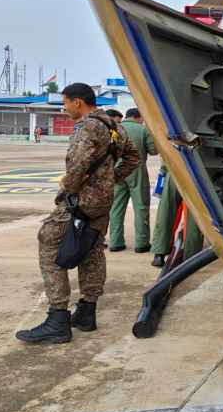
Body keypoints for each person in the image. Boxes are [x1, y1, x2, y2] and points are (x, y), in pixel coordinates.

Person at [16, 83, 139, 344]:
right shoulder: (113, 125)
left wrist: (68, 188)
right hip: (103, 201)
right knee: (91, 249)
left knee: (49, 243)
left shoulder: (87, 126)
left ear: (78, 102)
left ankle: (57, 318)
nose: (65, 108)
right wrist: (111, 179)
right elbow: (133, 156)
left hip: (80, 201)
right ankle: (86, 311)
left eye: (66, 103)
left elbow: (76, 163)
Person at [108, 108, 157, 253]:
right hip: (137, 170)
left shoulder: (115, 129)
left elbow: (109, 149)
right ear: (138, 117)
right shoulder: (143, 130)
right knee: (141, 207)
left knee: (116, 208)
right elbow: (154, 151)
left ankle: (116, 242)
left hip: (117, 171)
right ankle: (141, 243)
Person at [149, 165, 203, 267]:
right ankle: (191, 257)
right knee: (194, 217)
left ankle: (159, 254)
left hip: (173, 170)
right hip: (195, 173)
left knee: (166, 211)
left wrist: (164, 170)